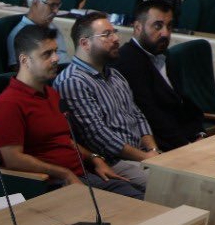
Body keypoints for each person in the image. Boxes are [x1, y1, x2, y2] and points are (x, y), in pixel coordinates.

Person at [0, 23, 143, 198]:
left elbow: (65, 140)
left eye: (55, 51)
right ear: (25, 60)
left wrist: (94, 158)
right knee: (138, 200)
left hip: (83, 174)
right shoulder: (8, 104)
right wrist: (64, 173)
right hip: (53, 185)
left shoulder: (50, 93)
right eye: (47, 54)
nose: (56, 58)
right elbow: (13, 159)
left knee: (147, 195)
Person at [56, 12, 157, 192]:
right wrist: (146, 157)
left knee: (187, 176)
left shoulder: (114, 74)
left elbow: (137, 115)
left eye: (114, 32)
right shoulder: (73, 81)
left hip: (140, 154)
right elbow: (98, 136)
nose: (116, 38)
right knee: (171, 186)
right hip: (113, 160)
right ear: (85, 43)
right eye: (107, 35)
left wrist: (153, 149)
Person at [113, 0, 206, 151]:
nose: (165, 33)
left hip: (187, 140)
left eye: (169, 26)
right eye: (158, 26)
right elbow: (151, 116)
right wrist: (188, 147)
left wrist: (200, 133)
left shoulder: (166, 56)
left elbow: (185, 103)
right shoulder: (126, 61)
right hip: (161, 147)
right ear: (137, 27)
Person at [7, 0, 65, 70]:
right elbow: (19, 73)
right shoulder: (19, 34)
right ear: (35, 3)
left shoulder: (52, 26)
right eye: (52, 5)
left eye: (58, 5)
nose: (56, 11)